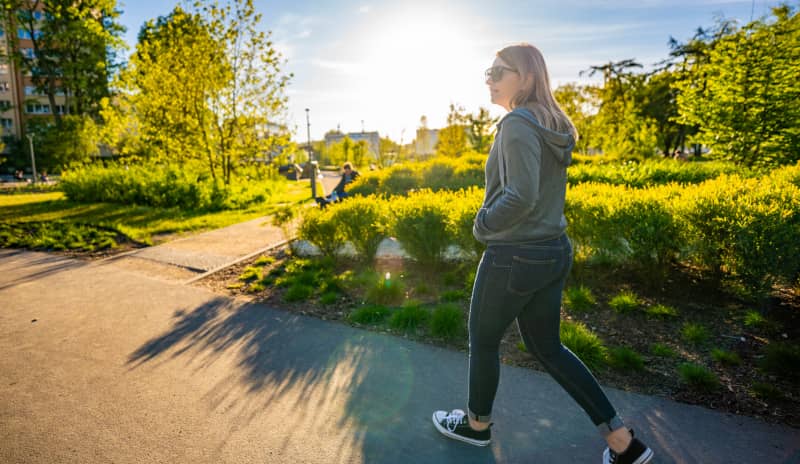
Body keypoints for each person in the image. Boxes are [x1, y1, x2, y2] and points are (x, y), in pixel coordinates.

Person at [431, 43, 654, 464]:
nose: (489, 79)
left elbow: (521, 196)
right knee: (549, 348)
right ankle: (623, 442)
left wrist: (483, 223)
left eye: (499, 72)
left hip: (514, 256)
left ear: (526, 77)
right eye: (488, 71)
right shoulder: (551, 124)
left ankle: (476, 427)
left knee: (483, 340)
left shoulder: (517, 123)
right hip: (553, 251)